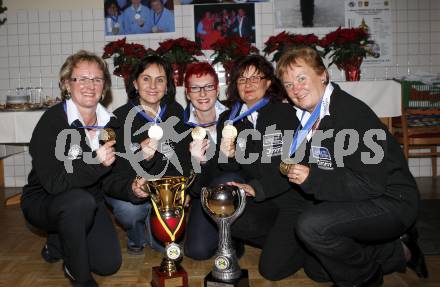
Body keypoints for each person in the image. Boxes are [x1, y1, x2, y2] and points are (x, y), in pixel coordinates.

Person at [275, 46, 428, 286]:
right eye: (288, 84)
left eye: (301, 78)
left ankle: (366, 279)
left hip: (392, 199)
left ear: (322, 75)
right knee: (317, 268)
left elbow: (371, 183)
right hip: (360, 197)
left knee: (312, 226)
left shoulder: (349, 113)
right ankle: (398, 251)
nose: (296, 88)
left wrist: (312, 178)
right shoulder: (311, 116)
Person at [214, 54, 324, 281]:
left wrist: (257, 188)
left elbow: (291, 164)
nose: (248, 84)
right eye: (242, 79)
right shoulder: (229, 118)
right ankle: (291, 242)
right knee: (229, 217)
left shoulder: (285, 113)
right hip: (264, 203)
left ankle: (308, 242)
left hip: (292, 201)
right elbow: (226, 165)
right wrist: (229, 154)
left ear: (269, 82)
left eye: (256, 78)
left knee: (271, 270)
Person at [20, 50, 121, 287]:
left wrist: (138, 179)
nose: (90, 85)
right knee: (78, 202)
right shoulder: (53, 121)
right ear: (67, 84)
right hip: (45, 199)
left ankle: (57, 243)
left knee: (109, 264)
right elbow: (54, 183)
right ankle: (79, 277)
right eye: (81, 79)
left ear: (104, 86)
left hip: (88, 201)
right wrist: (95, 163)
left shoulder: (110, 124)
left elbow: (113, 176)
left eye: (97, 79)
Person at [102, 54, 191, 255]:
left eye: (160, 79)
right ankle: (136, 234)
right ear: (135, 83)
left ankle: (155, 222)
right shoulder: (118, 119)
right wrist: (134, 182)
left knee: (164, 248)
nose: (153, 85)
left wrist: (182, 191)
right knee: (129, 211)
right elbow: (109, 177)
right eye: (145, 78)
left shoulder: (176, 112)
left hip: (164, 192)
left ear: (168, 85)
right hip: (133, 190)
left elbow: (184, 160)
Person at [181, 62, 246, 260]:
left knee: (229, 176)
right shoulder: (181, 129)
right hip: (205, 194)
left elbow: (248, 166)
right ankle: (223, 233)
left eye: (208, 86)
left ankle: (235, 233)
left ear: (217, 90)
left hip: (237, 189)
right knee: (196, 251)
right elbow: (192, 190)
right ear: (187, 93)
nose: (202, 94)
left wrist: (233, 154)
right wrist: (196, 163)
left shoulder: (236, 117)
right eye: (195, 88)